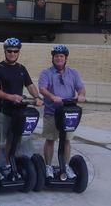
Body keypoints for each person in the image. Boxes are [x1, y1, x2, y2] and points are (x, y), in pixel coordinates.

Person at [0, 37, 43, 172]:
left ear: (18, 52)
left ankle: (7, 164)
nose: (12, 54)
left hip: (17, 112)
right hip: (1, 110)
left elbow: (29, 85)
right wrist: (10, 97)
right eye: (9, 51)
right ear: (5, 51)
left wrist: (37, 97)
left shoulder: (21, 69)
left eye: (15, 51)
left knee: (12, 141)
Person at [38, 45, 86, 179]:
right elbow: (42, 89)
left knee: (66, 141)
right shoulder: (46, 73)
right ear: (53, 58)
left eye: (61, 56)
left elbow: (81, 88)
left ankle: (66, 166)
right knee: (50, 139)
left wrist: (81, 95)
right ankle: (48, 166)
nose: (59, 58)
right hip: (52, 112)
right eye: (56, 56)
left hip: (68, 114)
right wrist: (52, 97)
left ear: (65, 58)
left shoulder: (73, 73)